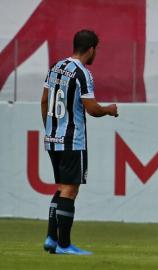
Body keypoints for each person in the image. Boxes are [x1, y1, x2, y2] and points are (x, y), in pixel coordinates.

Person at [41, 30, 118, 255]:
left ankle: (51, 238)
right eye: (97, 49)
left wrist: (49, 129)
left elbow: (45, 101)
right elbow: (92, 109)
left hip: (53, 138)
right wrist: (109, 110)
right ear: (91, 48)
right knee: (70, 190)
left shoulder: (55, 67)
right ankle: (64, 245)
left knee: (61, 188)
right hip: (72, 140)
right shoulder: (83, 73)